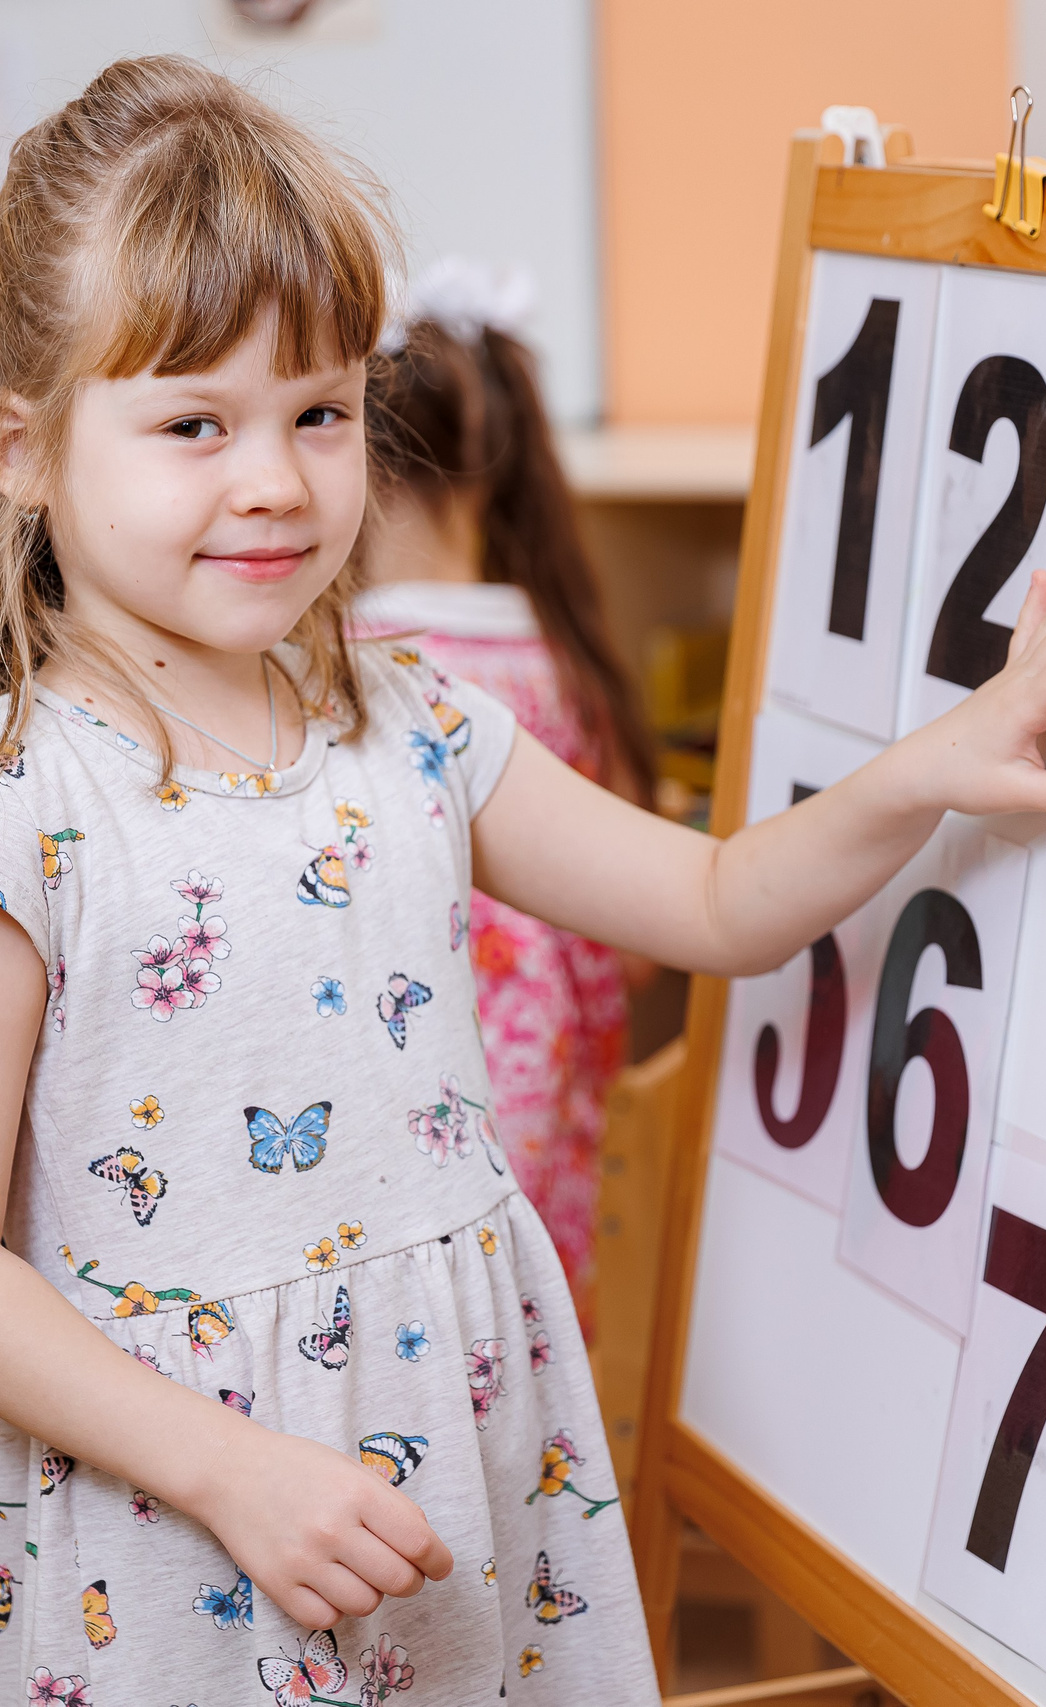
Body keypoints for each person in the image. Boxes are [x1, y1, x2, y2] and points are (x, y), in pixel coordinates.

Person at [0, 55, 1046, 1706]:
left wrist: (940, 760)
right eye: (193, 425)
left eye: (319, 413)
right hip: (185, 1540)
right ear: (22, 448)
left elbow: (725, 899)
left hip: (470, 1479)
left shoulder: (410, 720)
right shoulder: (0, 812)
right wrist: (236, 1471)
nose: (274, 480)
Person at [354, 265, 657, 1327]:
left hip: (390, 1154)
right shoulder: (563, 658)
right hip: (548, 1133)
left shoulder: (342, 673)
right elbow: (636, 944)